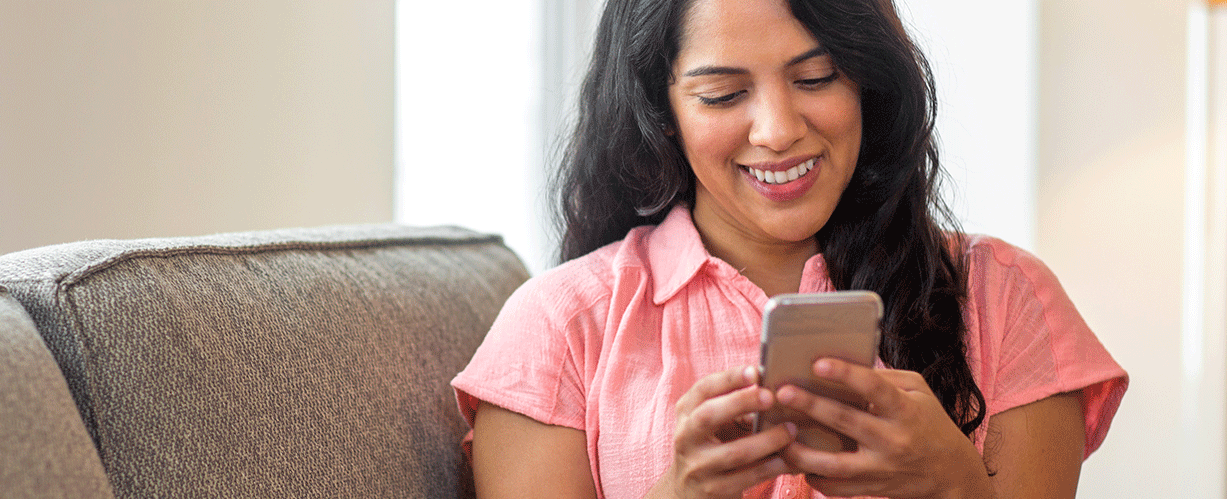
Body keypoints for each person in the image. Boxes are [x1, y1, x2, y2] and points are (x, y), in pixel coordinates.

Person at [449, 0, 1129, 497]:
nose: (776, 130)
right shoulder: (558, 328)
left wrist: (955, 484)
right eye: (723, 94)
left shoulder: (1004, 297)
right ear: (662, 111)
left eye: (816, 79)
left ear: (870, 82)